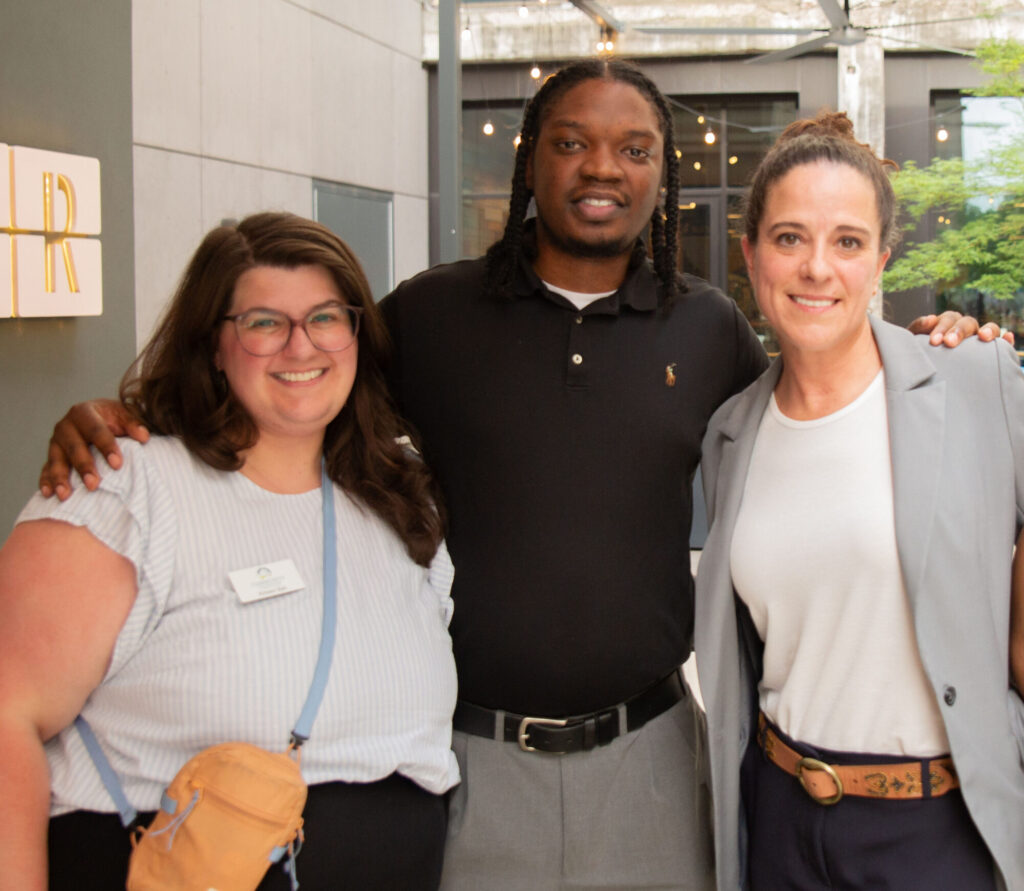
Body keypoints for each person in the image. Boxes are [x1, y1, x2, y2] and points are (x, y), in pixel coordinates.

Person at [37, 63, 1007, 890]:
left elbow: (815, 412)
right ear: (529, 157)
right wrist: (132, 419)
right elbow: (295, 380)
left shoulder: (706, 328)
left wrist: (944, 351)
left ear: (661, 173)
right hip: (472, 764)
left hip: (651, 763)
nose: (603, 167)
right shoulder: (431, 316)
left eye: (634, 149)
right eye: (572, 142)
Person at [0, 212, 460, 890]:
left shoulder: (398, 493)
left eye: (326, 318)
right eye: (264, 322)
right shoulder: (128, 489)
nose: (301, 346)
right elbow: (9, 715)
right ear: (212, 345)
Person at [694, 112, 1024, 890]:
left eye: (847, 241)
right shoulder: (729, 435)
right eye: (789, 238)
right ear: (751, 254)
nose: (817, 267)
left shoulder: (976, 381)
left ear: (880, 261)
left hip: (937, 828)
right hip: (781, 819)